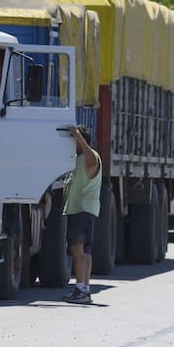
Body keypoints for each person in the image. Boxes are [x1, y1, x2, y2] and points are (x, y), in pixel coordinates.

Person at [62, 124, 101, 305]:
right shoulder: (77, 159)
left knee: (78, 251)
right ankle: (84, 288)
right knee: (84, 253)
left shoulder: (89, 157)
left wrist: (78, 137)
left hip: (83, 211)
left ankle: (80, 289)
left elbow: (92, 160)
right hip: (81, 210)